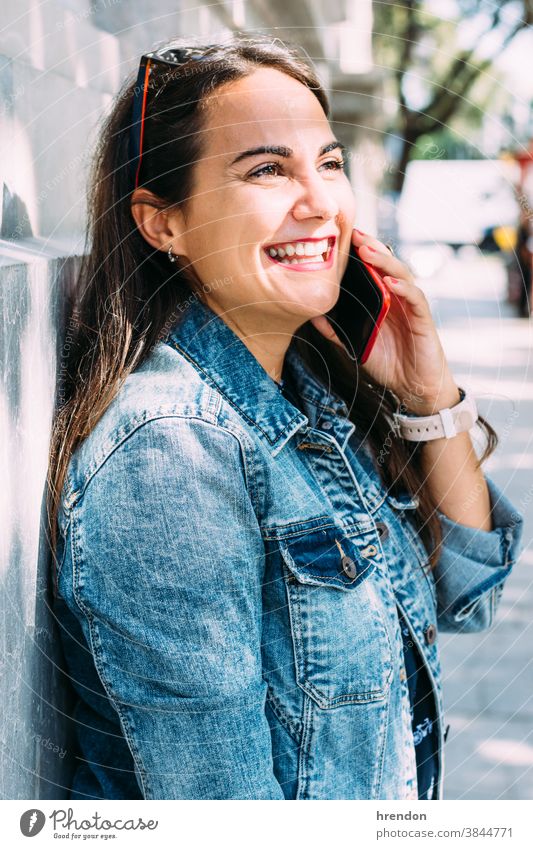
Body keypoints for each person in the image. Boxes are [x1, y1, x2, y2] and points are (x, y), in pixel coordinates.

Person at [47, 34, 524, 801]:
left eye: (328, 163)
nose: (319, 202)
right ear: (161, 222)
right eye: (267, 168)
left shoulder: (309, 389)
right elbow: (224, 811)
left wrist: (427, 395)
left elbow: (467, 594)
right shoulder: (175, 450)